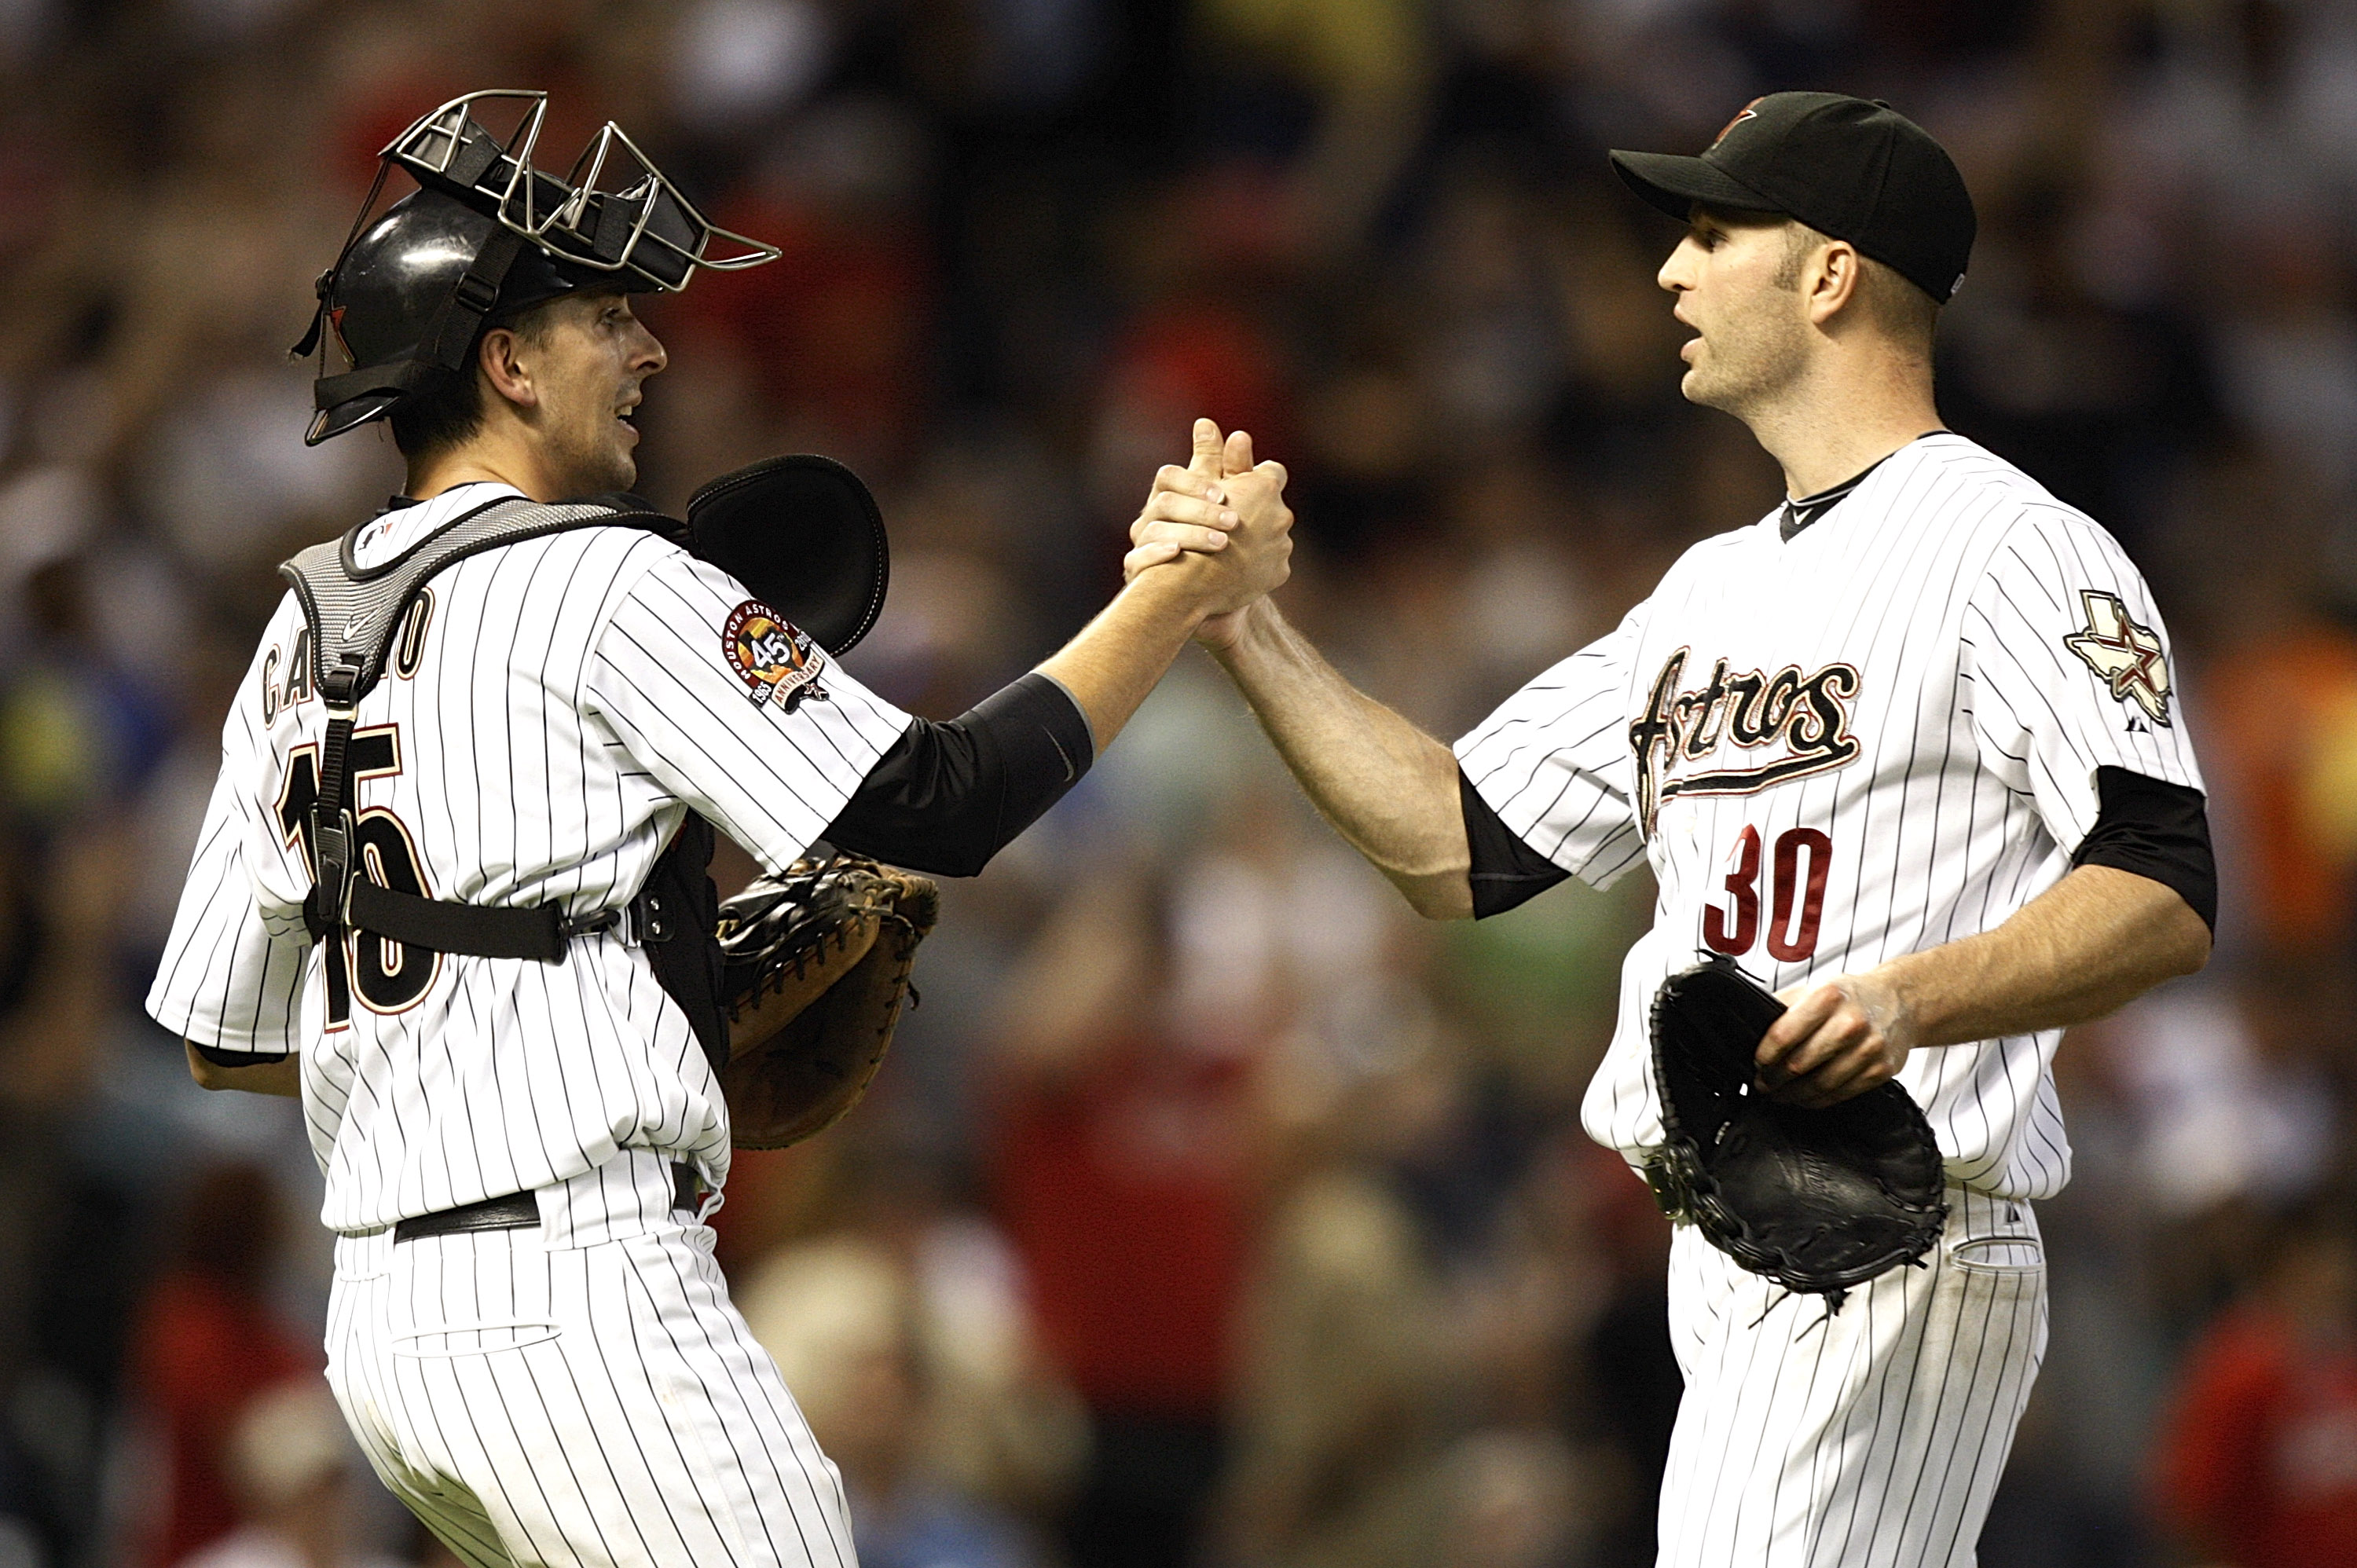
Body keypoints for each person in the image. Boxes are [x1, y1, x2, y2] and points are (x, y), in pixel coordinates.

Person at [145, 91, 1290, 1568]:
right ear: (505, 362)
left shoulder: (301, 627)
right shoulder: (602, 577)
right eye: (606, 319)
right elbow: (941, 802)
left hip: (383, 1334)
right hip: (582, 1304)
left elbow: (224, 1040)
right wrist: (1176, 594)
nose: (650, 350)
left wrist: (583, 982)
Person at [1127, 92, 2215, 1566]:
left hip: (1890, 1228)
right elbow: (1461, 842)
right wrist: (1243, 625)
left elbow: (2160, 880)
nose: (1669, 272)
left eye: (1714, 232)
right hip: (1722, 1238)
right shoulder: (1704, 592)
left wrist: (1915, 994)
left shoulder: (2014, 545)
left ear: (1829, 274)